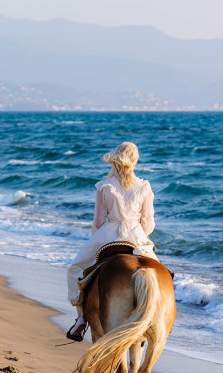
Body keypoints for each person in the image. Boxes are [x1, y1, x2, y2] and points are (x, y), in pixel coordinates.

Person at [66, 141, 156, 341]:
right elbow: (148, 225)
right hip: (136, 235)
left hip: (108, 234)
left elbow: (98, 221)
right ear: (135, 161)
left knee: (75, 269)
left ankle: (80, 319)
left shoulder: (103, 187)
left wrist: (96, 237)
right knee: (158, 274)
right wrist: (139, 229)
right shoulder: (144, 187)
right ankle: (153, 320)